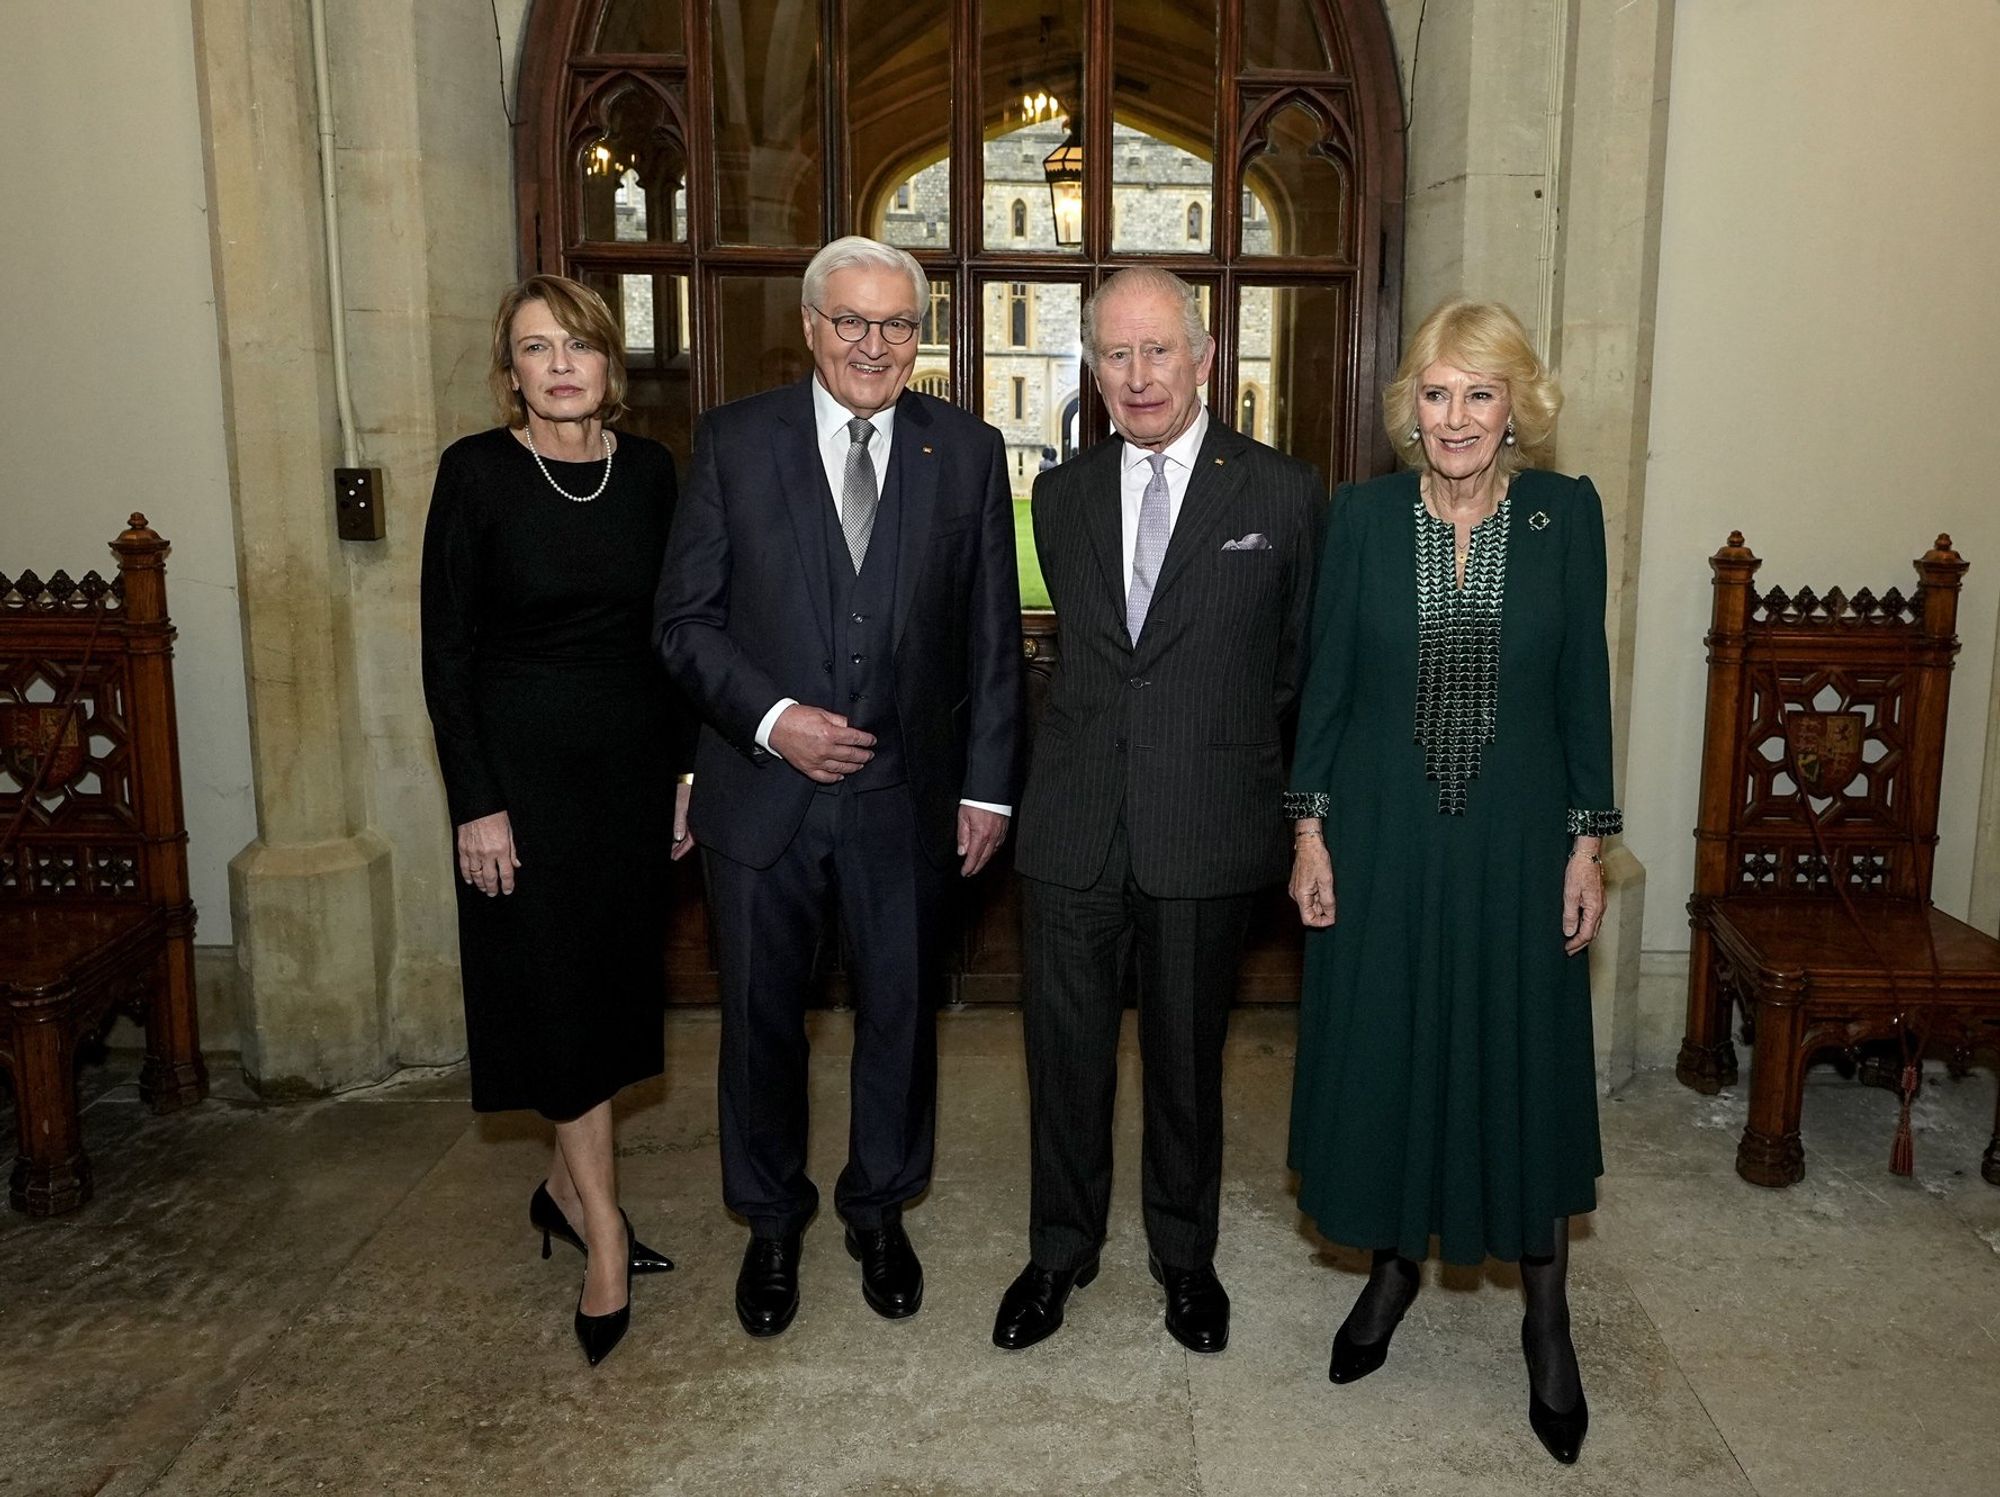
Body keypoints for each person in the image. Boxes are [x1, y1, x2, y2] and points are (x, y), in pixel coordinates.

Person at [653, 236, 1021, 1338]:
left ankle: (877, 1208)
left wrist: (989, 790)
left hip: (906, 800)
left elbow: (990, 636)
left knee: (900, 1018)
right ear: (810, 327)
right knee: (761, 1019)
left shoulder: (962, 449)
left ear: (921, 336)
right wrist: (774, 723)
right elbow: (681, 623)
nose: (874, 345)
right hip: (760, 801)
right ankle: (771, 1225)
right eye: (851, 323)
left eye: (897, 325)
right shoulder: (732, 442)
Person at [1284, 297, 1616, 1464]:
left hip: (1519, 844)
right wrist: (1308, 831)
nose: (1457, 416)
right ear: (1407, 409)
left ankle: (1544, 1314)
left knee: (1517, 1059)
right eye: (1435, 393)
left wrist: (1587, 843)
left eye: (1480, 393)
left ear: (1517, 407)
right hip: (1380, 839)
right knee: (1391, 1050)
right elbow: (1324, 687)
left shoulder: (1564, 516)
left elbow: (1583, 688)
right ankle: (1388, 1274)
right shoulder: (1364, 517)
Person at [994, 267, 1323, 1355]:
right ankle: (1058, 1250)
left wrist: (1290, 811)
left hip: (1204, 823)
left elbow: (1297, 672)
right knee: (1064, 1056)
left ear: (1204, 357)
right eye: (1115, 357)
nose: (1137, 377)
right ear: (1093, 370)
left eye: (1157, 352)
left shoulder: (1278, 494)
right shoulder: (1063, 493)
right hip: (1072, 826)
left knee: (1186, 1064)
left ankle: (1184, 1260)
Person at [421, 275, 697, 1368]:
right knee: (558, 1001)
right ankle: (606, 1234)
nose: (561, 365)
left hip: (629, 780)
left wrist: (685, 772)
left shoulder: (649, 475)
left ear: (607, 363)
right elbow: (446, 655)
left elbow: (676, 632)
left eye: (577, 344)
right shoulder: (476, 475)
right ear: (513, 372)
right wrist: (476, 802)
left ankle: (557, 1190)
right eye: (536, 350)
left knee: (613, 1000)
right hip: (522, 790)